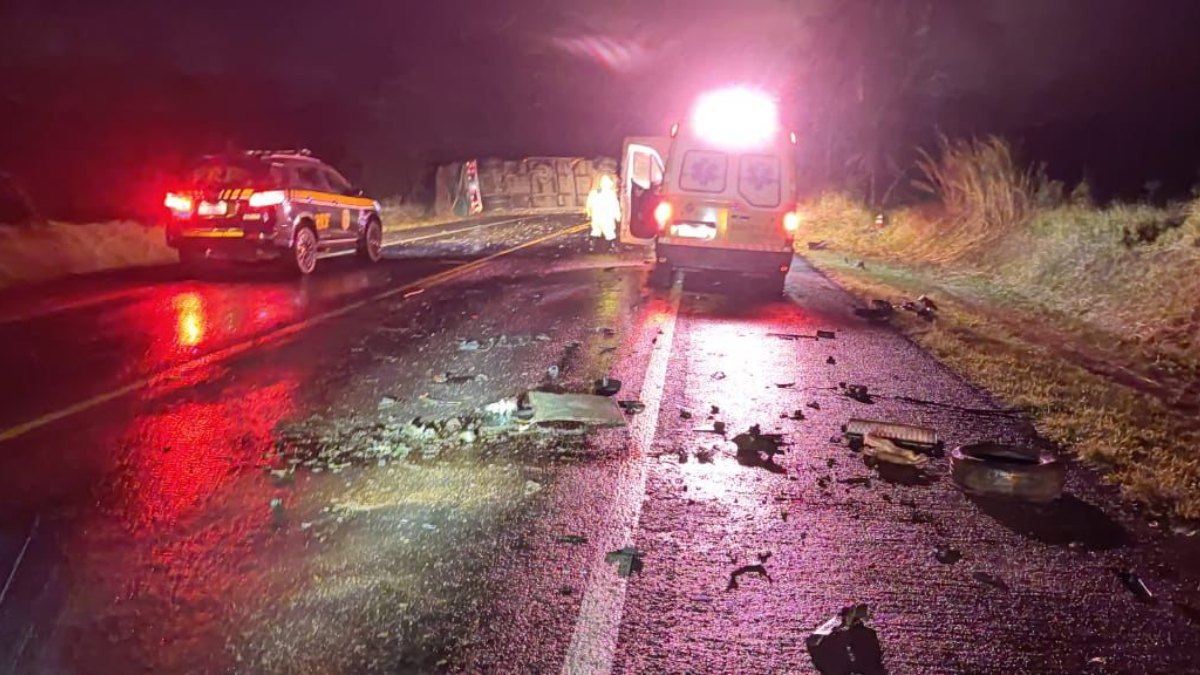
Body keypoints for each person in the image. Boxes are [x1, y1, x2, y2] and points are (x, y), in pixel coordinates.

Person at [585, 173, 621, 252]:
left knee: (596, 231)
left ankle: (592, 247)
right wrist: (617, 216)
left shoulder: (594, 192)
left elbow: (589, 204)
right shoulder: (610, 194)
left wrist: (589, 213)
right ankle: (611, 247)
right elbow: (615, 205)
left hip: (597, 217)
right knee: (609, 232)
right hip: (607, 217)